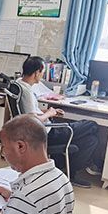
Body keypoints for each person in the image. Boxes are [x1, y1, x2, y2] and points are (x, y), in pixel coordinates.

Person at [16, 56, 101, 188]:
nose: (42, 75)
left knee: (91, 140)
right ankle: (79, 169)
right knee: (92, 125)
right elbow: (32, 119)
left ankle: (69, 174)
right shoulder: (27, 92)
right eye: (42, 72)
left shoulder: (19, 84)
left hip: (42, 130)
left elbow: (29, 112)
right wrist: (49, 113)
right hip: (46, 133)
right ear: (37, 72)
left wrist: (50, 111)